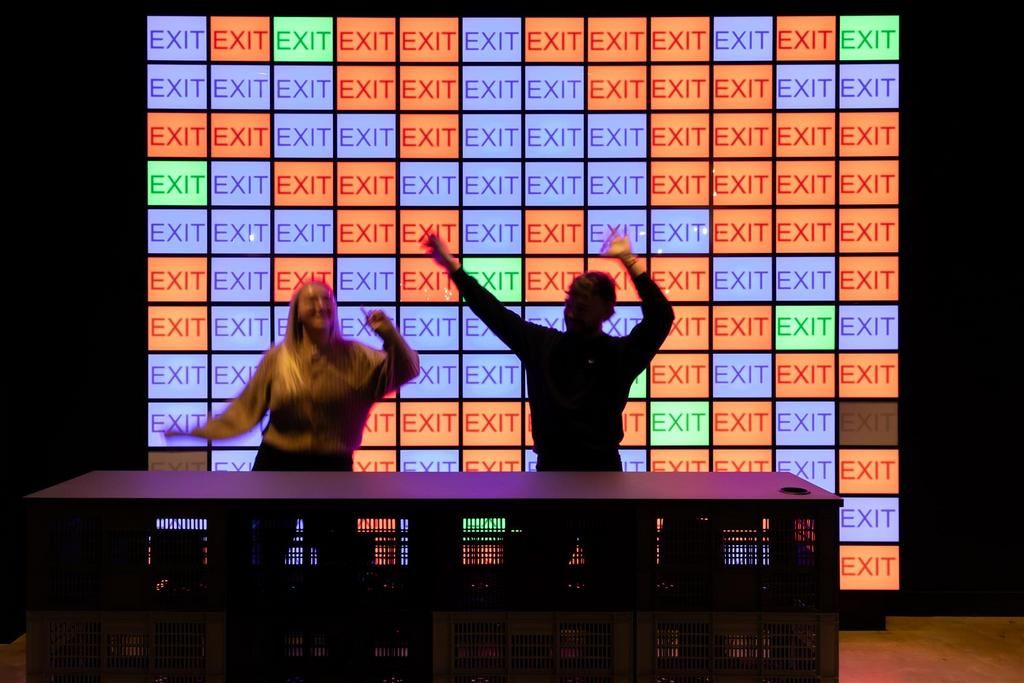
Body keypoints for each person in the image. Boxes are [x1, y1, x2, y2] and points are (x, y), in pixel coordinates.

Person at [423, 232, 673, 471]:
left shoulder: (560, 347)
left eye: (582, 306)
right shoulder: (604, 353)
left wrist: (629, 260)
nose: (572, 313)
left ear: (607, 311)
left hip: (581, 474)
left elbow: (661, 316)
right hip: (570, 472)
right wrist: (453, 268)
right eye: (570, 303)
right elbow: (493, 312)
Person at [168, 280, 420, 471]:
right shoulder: (277, 359)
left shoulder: (358, 356)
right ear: (296, 312)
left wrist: (390, 333)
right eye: (311, 300)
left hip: (333, 467)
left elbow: (408, 369)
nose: (320, 306)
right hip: (276, 464)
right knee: (264, 529)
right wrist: (195, 432)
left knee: (333, 530)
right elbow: (243, 411)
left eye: (326, 299)